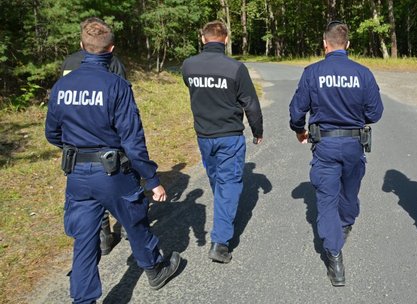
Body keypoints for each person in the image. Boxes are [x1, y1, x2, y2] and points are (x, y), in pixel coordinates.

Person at [45, 17, 181, 304]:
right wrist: (152, 178)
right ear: (111, 49)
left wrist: (76, 150)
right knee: (135, 221)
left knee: (85, 238)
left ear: (82, 47)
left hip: (77, 175)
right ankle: (155, 270)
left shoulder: (61, 86)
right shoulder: (116, 85)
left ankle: (83, 300)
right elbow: (132, 139)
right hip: (112, 173)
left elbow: (52, 133)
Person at [288, 21, 384, 287]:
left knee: (327, 199)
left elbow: (297, 111)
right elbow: (375, 113)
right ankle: (343, 227)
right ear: (348, 45)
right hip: (354, 144)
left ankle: (334, 255)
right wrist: (354, 118)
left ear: (324, 44)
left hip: (326, 146)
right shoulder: (363, 73)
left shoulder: (312, 72)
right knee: (349, 192)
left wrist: (299, 130)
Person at [181, 20, 263, 263]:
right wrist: (258, 130)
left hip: (204, 136)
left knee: (218, 179)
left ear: (203, 38)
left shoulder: (189, 66)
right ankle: (220, 243)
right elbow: (251, 103)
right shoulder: (235, 68)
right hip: (229, 136)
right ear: (225, 39)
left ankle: (223, 219)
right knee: (228, 184)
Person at [60, 21, 128, 256]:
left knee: (87, 193)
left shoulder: (69, 63)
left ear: (82, 42)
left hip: (76, 142)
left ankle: (104, 238)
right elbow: (124, 98)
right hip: (109, 137)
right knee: (121, 179)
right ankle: (129, 226)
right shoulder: (112, 62)